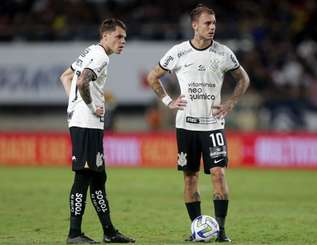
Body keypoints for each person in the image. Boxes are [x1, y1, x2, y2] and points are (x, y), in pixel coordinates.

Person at [147, 4, 250, 243]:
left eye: (214, 23)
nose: (212, 27)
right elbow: (153, 76)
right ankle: (197, 229)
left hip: (213, 125)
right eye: (207, 23)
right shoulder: (179, 52)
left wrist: (231, 102)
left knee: (218, 174)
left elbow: (243, 78)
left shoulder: (223, 53)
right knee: (190, 177)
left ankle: (221, 231)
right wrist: (167, 101)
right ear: (195, 25)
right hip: (186, 126)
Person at [60, 18, 135, 244]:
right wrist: (91, 107)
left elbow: (66, 77)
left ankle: (109, 231)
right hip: (86, 123)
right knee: (83, 177)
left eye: (125, 38)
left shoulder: (89, 52)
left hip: (86, 122)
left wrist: (74, 104)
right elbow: (82, 82)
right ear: (105, 36)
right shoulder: (100, 56)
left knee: (98, 177)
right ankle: (74, 233)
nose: (123, 41)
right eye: (118, 37)